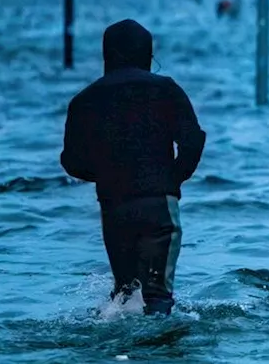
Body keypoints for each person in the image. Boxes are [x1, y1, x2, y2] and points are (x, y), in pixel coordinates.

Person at [61, 19, 206, 315]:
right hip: (159, 207)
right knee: (158, 298)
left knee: (125, 296)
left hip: (113, 209)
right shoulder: (166, 89)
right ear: (147, 55)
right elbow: (193, 140)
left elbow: (71, 161)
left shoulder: (84, 100)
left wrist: (108, 174)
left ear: (107, 56)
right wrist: (171, 179)